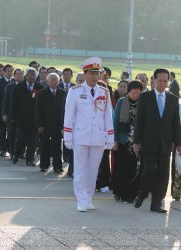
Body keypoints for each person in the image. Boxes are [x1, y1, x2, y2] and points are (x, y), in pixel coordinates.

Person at [63, 57, 114, 212]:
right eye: (91, 73)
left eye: (97, 73)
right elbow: (69, 115)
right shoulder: (75, 91)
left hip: (98, 138)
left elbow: (107, 117)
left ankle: (89, 198)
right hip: (80, 136)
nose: (94, 77)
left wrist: (110, 138)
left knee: (93, 170)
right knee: (80, 170)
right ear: (84, 74)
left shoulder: (104, 92)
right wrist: (68, 136)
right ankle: (81, 200)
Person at [133, 68, 181, 214]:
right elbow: (139, 121)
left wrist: (179, 143)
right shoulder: (145, 97)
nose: (162, 83)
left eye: (165, 80)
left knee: (163, 174)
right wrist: (137, 140)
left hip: (166, 143)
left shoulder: (173, 99)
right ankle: (142, 194)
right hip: (148, 142)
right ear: (153, 80)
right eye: (159, 80)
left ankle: (156, 203)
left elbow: (176, 123)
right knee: (148, 171)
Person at [112, 80, 144, 203]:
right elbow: (115, 123)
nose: (136, 95)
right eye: (133, 93)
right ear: (128, 92)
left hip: (136, 141)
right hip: (123, 140)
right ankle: (118, 192)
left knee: (133, 168)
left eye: (138, 93)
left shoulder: (143, 103)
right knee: (121, 167)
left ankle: (130, 194)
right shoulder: (121, 102)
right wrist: (115, 140)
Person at [10, 67, 44, 166]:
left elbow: (42, 105)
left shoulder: (39, 87)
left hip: (34, 120)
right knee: (20, 139)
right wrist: (12, 118)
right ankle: (16, 154)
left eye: (33, 74)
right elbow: (14, 103)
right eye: (29, 74)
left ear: (36, 76)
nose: (31, 76)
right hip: (21, 119)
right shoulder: (19, 87)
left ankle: (30, 159)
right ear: (26, 75)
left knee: (32, 141)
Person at [36, 73, 65, 173]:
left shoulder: (63, 93)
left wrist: (63, 126)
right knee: (45, 146)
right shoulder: (41, 93)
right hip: (45, 125)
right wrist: (39, 125)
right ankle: (44, 165)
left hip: (58, 125)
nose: (54, 82)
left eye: (56, 80)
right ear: (47, 81)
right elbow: (38, 110)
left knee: (57, 147)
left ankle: (57, 166)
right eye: (52, 80)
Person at [96, 67, 116, 193]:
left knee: (104, 161)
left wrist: (110, 138)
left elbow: (111, 121)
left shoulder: (108, 103)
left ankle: (104, 182)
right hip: (91, 137)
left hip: (104, 137)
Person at [0, 64, 14, 156]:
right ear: (4, 72)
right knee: (2, 130)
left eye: (11, 71)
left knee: (11, 131)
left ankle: (10, 148)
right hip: (1, 109)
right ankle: (3, 148)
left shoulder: (14, 82)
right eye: (8, 71)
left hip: (12, 110)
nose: (10, 73)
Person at [2, 68, 23, 159]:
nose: (19, 76)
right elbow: (6, 101)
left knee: (22, 135)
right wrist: (5, 114)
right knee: (11, 134)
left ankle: (20, 152)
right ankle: (11, 152)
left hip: (22, 115)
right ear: (14, 76)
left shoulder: (26, 86)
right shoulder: (9, 87)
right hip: (11, 115)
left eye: (21, 74)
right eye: (17, 74)